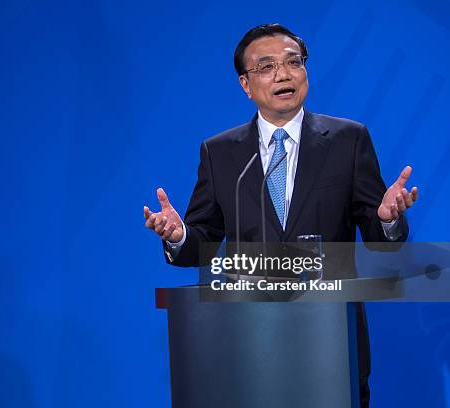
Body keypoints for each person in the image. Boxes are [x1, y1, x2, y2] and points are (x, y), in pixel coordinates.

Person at [143, 24, 418, 407]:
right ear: (245, 83)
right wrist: (178, 237)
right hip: (247, 343)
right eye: (267, 66)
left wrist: (388, 219)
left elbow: (379, 237)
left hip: (331, 341)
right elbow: (201, 241)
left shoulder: (348, 140)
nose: (284, 74)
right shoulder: (220, 153)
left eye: (294, 62)